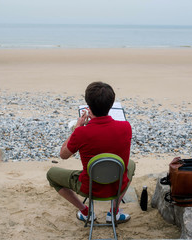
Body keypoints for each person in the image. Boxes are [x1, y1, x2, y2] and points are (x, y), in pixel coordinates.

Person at [47, 81, 135, 224]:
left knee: (51, 174)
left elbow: (63, 154)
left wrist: (77, 128)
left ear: (88, 106)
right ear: (111, 105)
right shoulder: (126, 127)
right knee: (130, 165)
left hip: (89, 188)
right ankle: (113, 212)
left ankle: (86, 211)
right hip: (116, 184)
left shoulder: (81, 133)